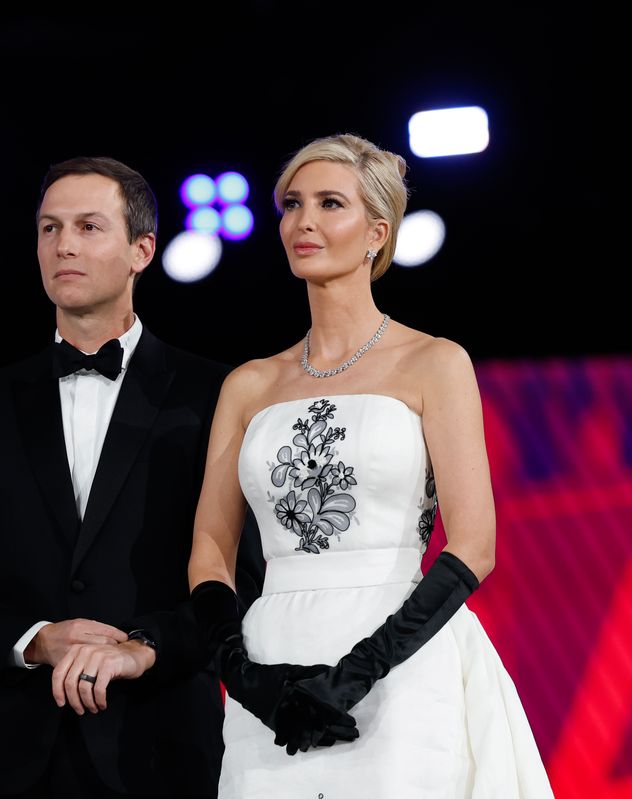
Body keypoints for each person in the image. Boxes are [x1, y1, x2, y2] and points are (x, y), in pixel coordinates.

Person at [187, 134, 555, 797]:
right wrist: (247, 678)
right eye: (293, 204)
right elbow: (209, 552)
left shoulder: (433, 363)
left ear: (376, 234)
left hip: (400, 659)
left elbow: (475, 545)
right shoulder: (249, 384)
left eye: (331, 203)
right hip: (273, 663)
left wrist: (359, 672)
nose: (305, 221)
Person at [0, 156, 263, 798]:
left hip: (161, 748)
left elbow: (248, 578)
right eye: (49, 229)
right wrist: (38, 640)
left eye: (88, 227)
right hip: (12, 755)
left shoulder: (215, 393)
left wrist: (144, 647)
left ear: (142, 249)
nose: (63, 244)